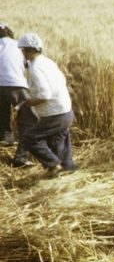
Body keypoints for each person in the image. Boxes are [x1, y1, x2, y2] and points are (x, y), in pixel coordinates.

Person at [16, 33, 76, 177]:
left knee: (29, 138)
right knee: (58, 144)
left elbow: (45, 94)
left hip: (55, 114)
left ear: (26, 50)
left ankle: (54, 167)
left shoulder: (36, 68)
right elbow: (61, 80)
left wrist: (28, 102)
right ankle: (68, 171)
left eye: (22, 50)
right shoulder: (48, 62)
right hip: (66, 110)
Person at [0, 23, 28, 148]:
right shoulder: (18, 45)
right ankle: (27, 146)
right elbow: (27, 64)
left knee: (2, 112)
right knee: (28, 115)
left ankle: (6, 138)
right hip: (16, 83)